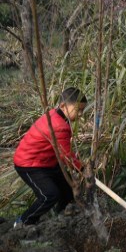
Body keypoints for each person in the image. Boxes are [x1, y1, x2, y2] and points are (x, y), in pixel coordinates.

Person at [13, 87, 87, 227]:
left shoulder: (56, 115)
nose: (81, 114)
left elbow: (63, 151)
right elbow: (66, 157)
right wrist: (82, 168)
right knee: (49, 195)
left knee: (68, 189)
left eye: (82, 110)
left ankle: (59, 217)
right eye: (78, 110)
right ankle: (23, 222)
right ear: (63, 106)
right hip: (29, 164)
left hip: (47, 162)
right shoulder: (59, 125)